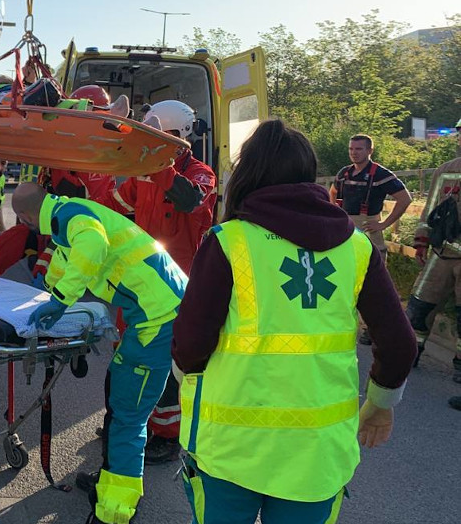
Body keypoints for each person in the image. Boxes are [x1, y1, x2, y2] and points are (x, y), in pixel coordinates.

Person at [171, 119, 416, 523]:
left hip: (229, 449)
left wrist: (185, 378)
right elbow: (400, 344)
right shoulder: (357, 247)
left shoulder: (229, 241)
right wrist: (380, 405)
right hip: (317, 456)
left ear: (248, 174)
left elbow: (191, 343)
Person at [11, 182, 186, 524]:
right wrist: (43, 291)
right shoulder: (66, 219)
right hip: (154, 313)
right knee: (117, 392)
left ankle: (115, 512)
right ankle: (110, 480)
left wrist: (60, 300)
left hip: (160, 318)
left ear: (26, 217)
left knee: (128, 417)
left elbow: (91, 246)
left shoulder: (72, 217)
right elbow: (64, 262)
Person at [106, 99, 216, 464]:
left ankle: (168, 435)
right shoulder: (143, 173)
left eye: (157, 136)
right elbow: (115, 204)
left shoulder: (200, 174)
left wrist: (157, 165)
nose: (152, 142)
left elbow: (189, 200)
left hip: (174, 285)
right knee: (130, 352)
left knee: (166, 363)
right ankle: (129, 421)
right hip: (139, 280)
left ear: (176, 136)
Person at [330, 133, 412, 345]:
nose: (354, 153)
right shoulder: (344, 173)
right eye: (351, 149)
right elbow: (333, 193)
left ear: (369, 151)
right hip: (345, 229)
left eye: (358, 149)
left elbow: (405, 199)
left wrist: (383, 223)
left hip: (369, 230)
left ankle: (370, 328)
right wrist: (335, 214)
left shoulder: (380, 174)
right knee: (341, 277)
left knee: (373, 281)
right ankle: (344, 321)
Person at [408, 148, 461, 390]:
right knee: (420, 305)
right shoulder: (446, 169)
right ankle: (411, 351)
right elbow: (430, 207)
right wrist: (421, 241)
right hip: (441, 253)